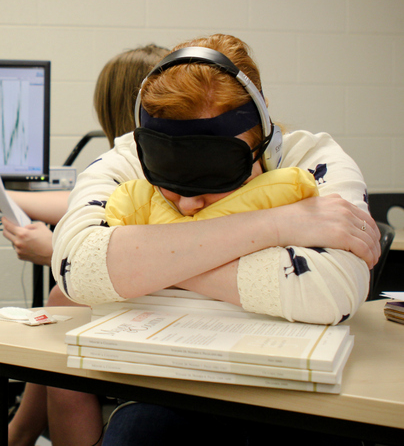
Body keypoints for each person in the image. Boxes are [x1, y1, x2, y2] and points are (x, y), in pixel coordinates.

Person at [50, 34, 380, 445]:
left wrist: (147, 261)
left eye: (212, 178)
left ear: (261, 143)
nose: (188, 205)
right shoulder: (128, 158)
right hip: (166, 395)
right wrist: (276, 226)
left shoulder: (314, 160)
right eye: (171, 179)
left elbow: (332, 290)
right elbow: (78, 269)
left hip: (295, 399)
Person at [0, 44, 170, 446]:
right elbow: (83, 201)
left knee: (63, 303)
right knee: (62, 302)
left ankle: (20, 434)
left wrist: (56, 252)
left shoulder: (155, 174)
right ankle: (18, 433)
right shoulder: (157, 164)